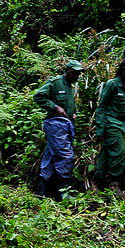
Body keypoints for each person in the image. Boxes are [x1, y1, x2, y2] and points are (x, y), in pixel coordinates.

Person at [33, 60, 84, 201]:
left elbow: (66, 104)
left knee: (49, 159)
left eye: (78, 73)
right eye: (74, 72)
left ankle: (40, 194)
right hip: (55, 125)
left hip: (66, 126)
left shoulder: (70, 86)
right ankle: (64, 194)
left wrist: (71, 112)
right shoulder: (56, 83)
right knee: (65, 156)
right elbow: (38, 96)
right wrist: (54, 107)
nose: (77, 75)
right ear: (67, 71)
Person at [93, 57, 125, 195]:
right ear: (123, 70)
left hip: (120, 124)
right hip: (111, 124)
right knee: (119, 153)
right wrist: (100, 128)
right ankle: (114, 184)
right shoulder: (112, 84)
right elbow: (102, 106)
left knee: (106, 154)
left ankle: (97, 183)